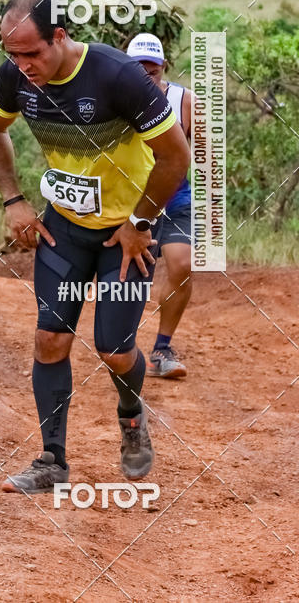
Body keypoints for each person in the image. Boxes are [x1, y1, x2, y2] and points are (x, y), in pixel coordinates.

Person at [0, 0, 190, 494]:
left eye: (32, 53)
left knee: (114, 350)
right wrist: (13, 200)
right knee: (50, 339)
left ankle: (131, 412)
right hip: (65, 229)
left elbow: (175, 157)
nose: (23, 65)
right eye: (13, 55)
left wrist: (140, 222)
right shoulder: (16, 77)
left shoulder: (118, 76)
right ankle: (51, 462)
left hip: (127, 236)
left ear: (60, 36)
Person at [126, 33, 194, 379]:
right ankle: (121, 350)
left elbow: (203, 154)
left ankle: (162, 349)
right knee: (132, 278)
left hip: (176, 199)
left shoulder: (185, 100)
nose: (145, 75)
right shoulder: (117, 100)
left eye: (151, 70)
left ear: (163, 67)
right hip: (133, 202)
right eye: (137, 69)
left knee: (182, 265)